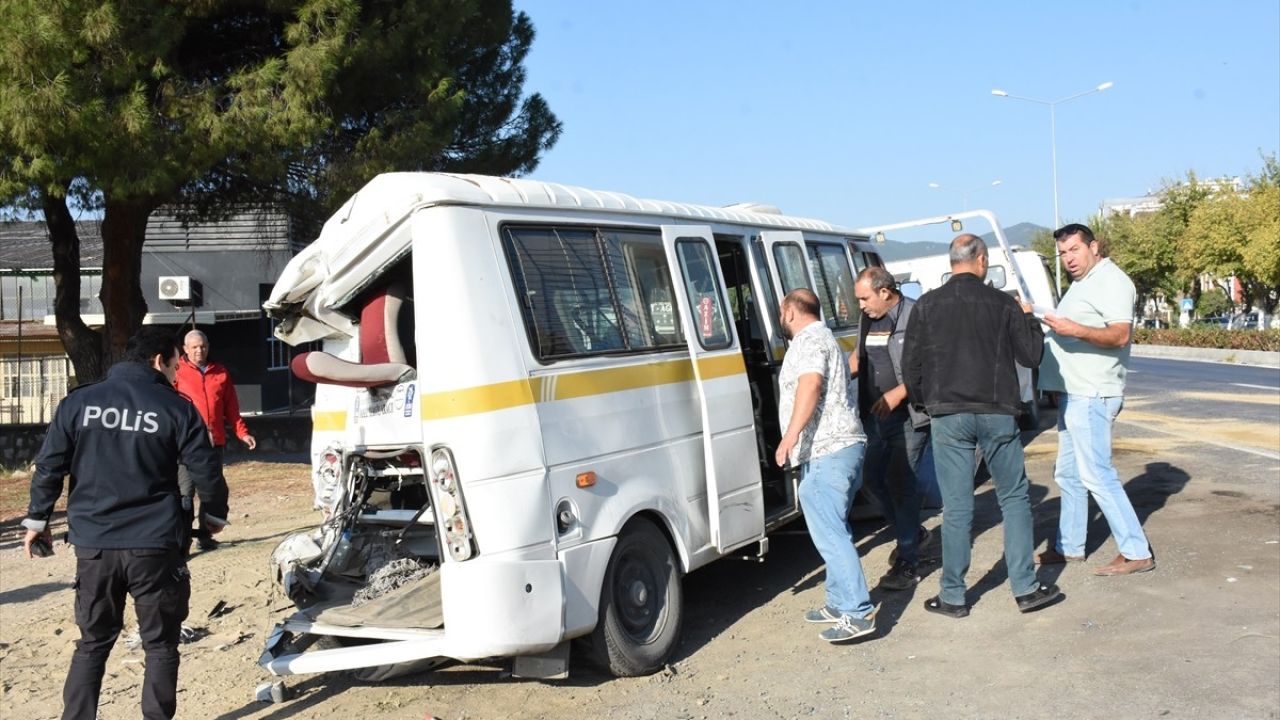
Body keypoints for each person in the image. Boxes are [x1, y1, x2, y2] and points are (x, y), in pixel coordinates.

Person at [23, 327, 228, 720]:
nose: (176, 374)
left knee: (93, 642)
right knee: (161, 644)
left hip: (95, 545)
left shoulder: (80, 402)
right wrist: (213, 514)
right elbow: (206, 467)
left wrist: (37, 518)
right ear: (158, 361)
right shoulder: (177, 408)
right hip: (155, 544)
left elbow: (50, 465)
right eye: (175, 365)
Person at [902, 234, 1061, 618]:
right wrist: (1028, 319)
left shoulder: (926, 306)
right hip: (996, 412)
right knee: (1014, 498)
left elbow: (911, 368)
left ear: (952, 261)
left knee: (957, 508)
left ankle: (954, 596)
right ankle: (1025, 589)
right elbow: (1031, 354)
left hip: (948, 416)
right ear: (982, 260)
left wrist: (929, 403)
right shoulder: (1003, 304)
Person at [1037, 223, 1155, 576]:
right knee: (1069, 474)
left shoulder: (1112, 280)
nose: (1068, 259)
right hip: (1074, 393)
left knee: (1097, 475)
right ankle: (1069, 547)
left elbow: (1119, 335)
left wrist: (1074, 330)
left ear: (1094, 246)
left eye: (1074, 250)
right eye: (1063, 254)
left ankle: (1136, 551)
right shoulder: (1083, 283)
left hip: (1092, 393)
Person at [774, 288, 876, 643]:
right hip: (839, 448)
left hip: (828, 450)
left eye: (780, 310)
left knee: (831, 533)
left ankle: (857, 612)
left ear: (789, 311)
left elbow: (812, 384)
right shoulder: (826, 337)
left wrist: (789, 437)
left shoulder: (808, 341)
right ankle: (838, 600)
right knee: (834, 528)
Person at [848, 266, 933, 591]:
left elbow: (930, 365)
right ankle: (912, 534)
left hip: (909, 417)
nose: (861, 305)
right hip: (875, 417)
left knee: (902, 485)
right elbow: (860, 356)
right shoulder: (868, 318)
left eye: (864, 298)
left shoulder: (915, 316)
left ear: (885, 291)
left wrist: (899, 393)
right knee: (871, 480)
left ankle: (908, 562)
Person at [174, 329, 255, 551]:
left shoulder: (220, 372)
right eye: (194, 347)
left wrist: (242, 432)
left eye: (203, 346)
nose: (199, 350)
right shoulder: (177, 372)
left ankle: (205, 536)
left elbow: (231, 408)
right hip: (186, 444)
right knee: (185, 492)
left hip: (213, 442)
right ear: (185, 349)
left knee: (211, 492)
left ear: (208, 347)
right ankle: (181, 539)